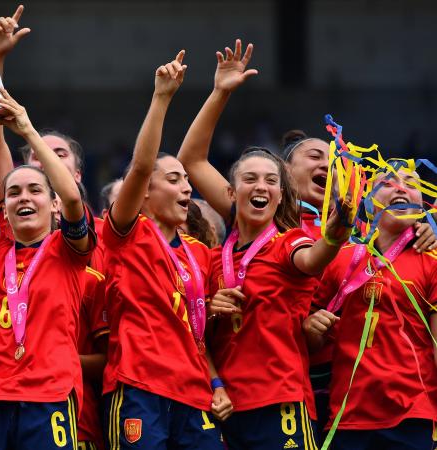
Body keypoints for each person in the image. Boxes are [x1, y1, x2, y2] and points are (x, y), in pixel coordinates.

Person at [177, 39, 357, 450]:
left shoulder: (288, 241)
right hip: (224, 402)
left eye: (270, 182)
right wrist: (220, 92)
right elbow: (192, 159)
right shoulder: (217, 253)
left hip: (280, 398)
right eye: (250, 180)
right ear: (233, 191)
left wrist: (336, 232)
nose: (260, 187)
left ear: (281, 196)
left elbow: (313, 260)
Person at [0, 81, 95, 450]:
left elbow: (73, 198)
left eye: (35, 190)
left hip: (49, 396)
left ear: (53, 205)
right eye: (14, 192)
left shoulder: (68, 251)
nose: (23, 197)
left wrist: (28, 129)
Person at [102, 53, 229, 449]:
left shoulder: (201, 253)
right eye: (173, 180)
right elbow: (140, 167)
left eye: (188, 180)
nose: (188, 189)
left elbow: (195, 332)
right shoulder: (127, 234)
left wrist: (216, 381)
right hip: (141, 386)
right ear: (144, 193)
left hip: (194, 392)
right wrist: (161, 98)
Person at [305, 166, 437, 450]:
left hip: (413, 415)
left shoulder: (433, 259)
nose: (401, 188)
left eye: (411, 183)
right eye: (388, 183)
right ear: (367, 201)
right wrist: (311, 327)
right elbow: (310, 342)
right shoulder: (338, 258)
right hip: (347, 416)